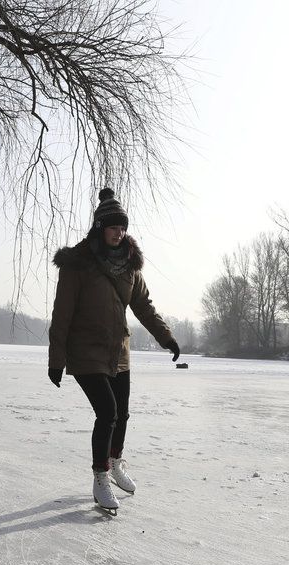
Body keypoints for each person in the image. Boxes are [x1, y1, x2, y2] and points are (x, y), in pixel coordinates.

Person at [48, 188, 180, 513]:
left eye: (122, 227)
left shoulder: (130, 267)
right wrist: (56, 360)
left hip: (118, 352)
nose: (118, 233)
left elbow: (144, 307)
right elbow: (62, 313)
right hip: (86, 352)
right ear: (99, 228)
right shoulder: (78, 264)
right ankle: (100, 477)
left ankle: (115, 460)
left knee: (122, 414)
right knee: (107, 412)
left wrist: (167, 338)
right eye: (112, 227)